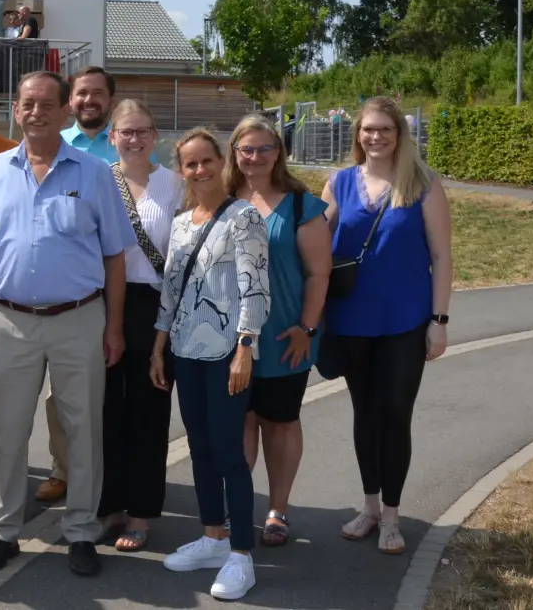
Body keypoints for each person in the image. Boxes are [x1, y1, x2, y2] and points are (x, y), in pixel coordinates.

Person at [0, 70, 136, 579]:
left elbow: (115, 258)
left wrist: (113, 327)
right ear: (16, 109)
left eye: (46, 105)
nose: (36, 112)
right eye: (27, 104)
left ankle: (80, 531)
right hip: (9, 321)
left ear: (64, 112)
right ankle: (2, 533)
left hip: (79, 320)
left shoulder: (95, 174)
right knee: (6, 433)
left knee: (83, 432)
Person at [321, 96, 452, 556]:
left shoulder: (423, 184)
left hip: (404, 321)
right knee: (365, 413)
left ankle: (393, 517)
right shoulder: (338, 183)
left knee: (396, 413)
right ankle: (370, 506)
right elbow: (315, 243)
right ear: (357, 134)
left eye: (385, 130)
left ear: (400, 135)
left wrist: (439, 321)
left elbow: (441, 256)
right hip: (352, 319)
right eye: (368, 129)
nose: (375, 137)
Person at [152, 127, 269, 602]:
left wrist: (245, 347)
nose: (199, 170)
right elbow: (170, 293)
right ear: (181, 171)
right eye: (190, 164)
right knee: (199, 448)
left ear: (222, 162)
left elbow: (256, 288)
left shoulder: (244, 218)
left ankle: (242, 554)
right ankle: (212, 536)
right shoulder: (180, 223)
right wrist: (158, 348)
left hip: (226, 353)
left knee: (228, 453)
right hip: (184, 350)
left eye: (206, 161)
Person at [226, 114, 332, 548]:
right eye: (246, 149)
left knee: (281, 423)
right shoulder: (219, 198)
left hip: (284, 336)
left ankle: (278, 510)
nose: (254, 157)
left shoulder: (301, 205)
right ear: (234, 153)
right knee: (241, 423)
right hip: (228, 339)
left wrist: (307, 327)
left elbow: (319, 273)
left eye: (263, 149)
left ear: (278, 153)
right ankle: (238, 508)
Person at [97, 99, 183, 553]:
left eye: (142, 131)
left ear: (155, 135)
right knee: (107, 411)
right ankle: (108, 505)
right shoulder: (95, 180)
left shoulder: (176, 185)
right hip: (102, 305)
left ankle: (143, 513)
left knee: (150, 413)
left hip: (155, 307)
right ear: (111, 137)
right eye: (125, 132)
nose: (134, 139)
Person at [35, 65, 118, 504]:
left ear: (110, 101)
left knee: (96, 397)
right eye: (81, 94)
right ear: (70, 102)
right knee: (58, 398)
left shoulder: (123, 143)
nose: (88, 101)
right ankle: (62, 469)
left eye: (97, 94)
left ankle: (102, 480)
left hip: (108, 286)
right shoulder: (53, 144)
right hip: (60, 290)